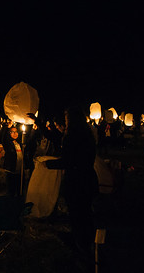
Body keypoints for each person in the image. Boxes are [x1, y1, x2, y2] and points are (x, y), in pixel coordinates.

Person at [45, 106, 99, 258]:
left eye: (67, 118)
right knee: (86, 213)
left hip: (77, 182)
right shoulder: (87, 135)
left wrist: (49, 164)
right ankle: (88, 242)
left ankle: (81, 246)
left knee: (77, 214)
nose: (66, 120)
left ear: (72, 120)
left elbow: (69, 161)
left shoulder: (72, 136)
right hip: (88, 179)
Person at [0, 125, 24, 196]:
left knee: (20, 190)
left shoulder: (19, 143)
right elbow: (3, 138)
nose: (15, 133)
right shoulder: (8, 144)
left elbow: (29, 140)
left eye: (16, 132)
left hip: (19, 172)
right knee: (11, 191)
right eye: (12, 132)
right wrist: (6, 127)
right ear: (9, 133)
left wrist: (33, 130)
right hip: (11, 171)